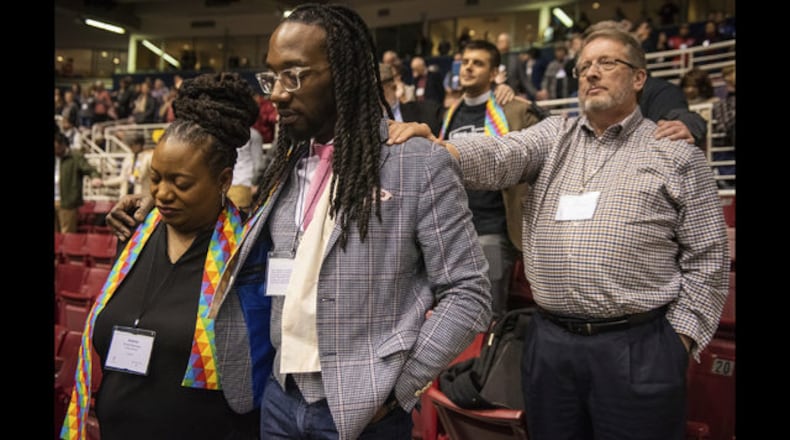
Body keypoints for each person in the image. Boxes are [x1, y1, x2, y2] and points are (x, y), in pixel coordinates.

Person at [105, 4, 492, 440]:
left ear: (345, 73)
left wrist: (396, 390)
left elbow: (469, 293)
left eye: (294, 75)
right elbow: (231, 233)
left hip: (362, 412)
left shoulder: (416, 162)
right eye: (271, 78)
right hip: (279, 402)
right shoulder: (286, 165)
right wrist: (152, 209)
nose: (277, 94)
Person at [388, 25, 729, 439]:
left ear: (639, 77)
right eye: (584, 65)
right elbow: (501, 152)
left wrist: (680, 341)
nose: (591, 72)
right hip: (550, 345)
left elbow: (707, 257)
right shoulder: (554, 136)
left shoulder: (674, 154)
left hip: (639, 345)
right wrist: (442, 150)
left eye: (607, 62)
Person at [60, 73, 264, 440]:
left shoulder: (247, 252)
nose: (163, 193)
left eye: (180, 183)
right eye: (156, 179)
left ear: (223, 180)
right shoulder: (134, 233)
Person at [438, 39, 542, 316]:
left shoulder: (513, 110)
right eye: (466, 62)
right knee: (453, 312)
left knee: (489, 312)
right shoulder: (450, 113)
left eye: (478, 63)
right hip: (453, 229)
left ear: (494, 72)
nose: (469, 68)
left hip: (492, 228)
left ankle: (489, 360)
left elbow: (550, 141)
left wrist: (519, 97)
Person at [55, 131, 102, 233]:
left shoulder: (75, 156)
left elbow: (90, 169)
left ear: (62, 144)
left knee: (67, 234)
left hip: (67, 201)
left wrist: (95, 177)